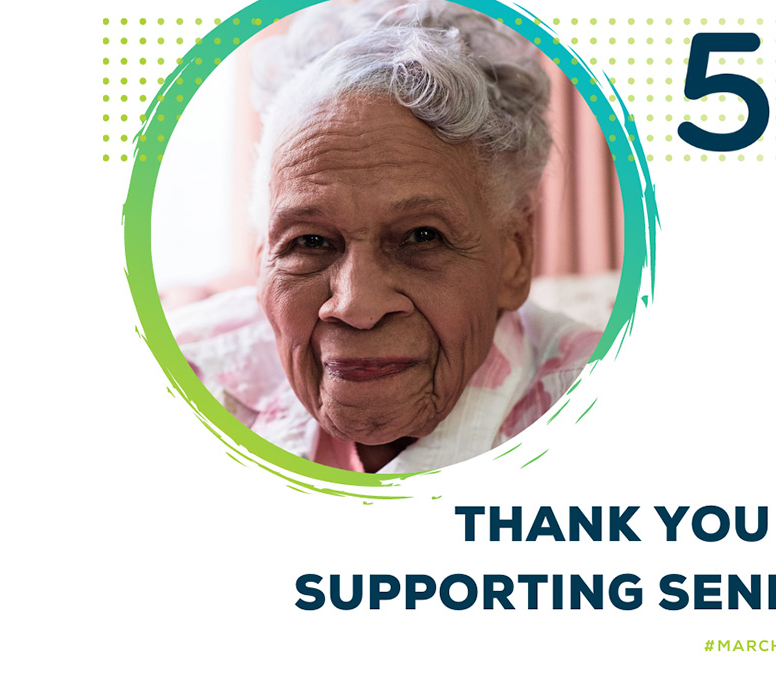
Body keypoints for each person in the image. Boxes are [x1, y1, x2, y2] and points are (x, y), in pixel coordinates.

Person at [172, 0, 601, 474]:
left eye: (421, 236)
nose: (357, 307)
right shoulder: (174, 376)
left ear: (514, 256)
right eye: (310, 242)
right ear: (260, 264)